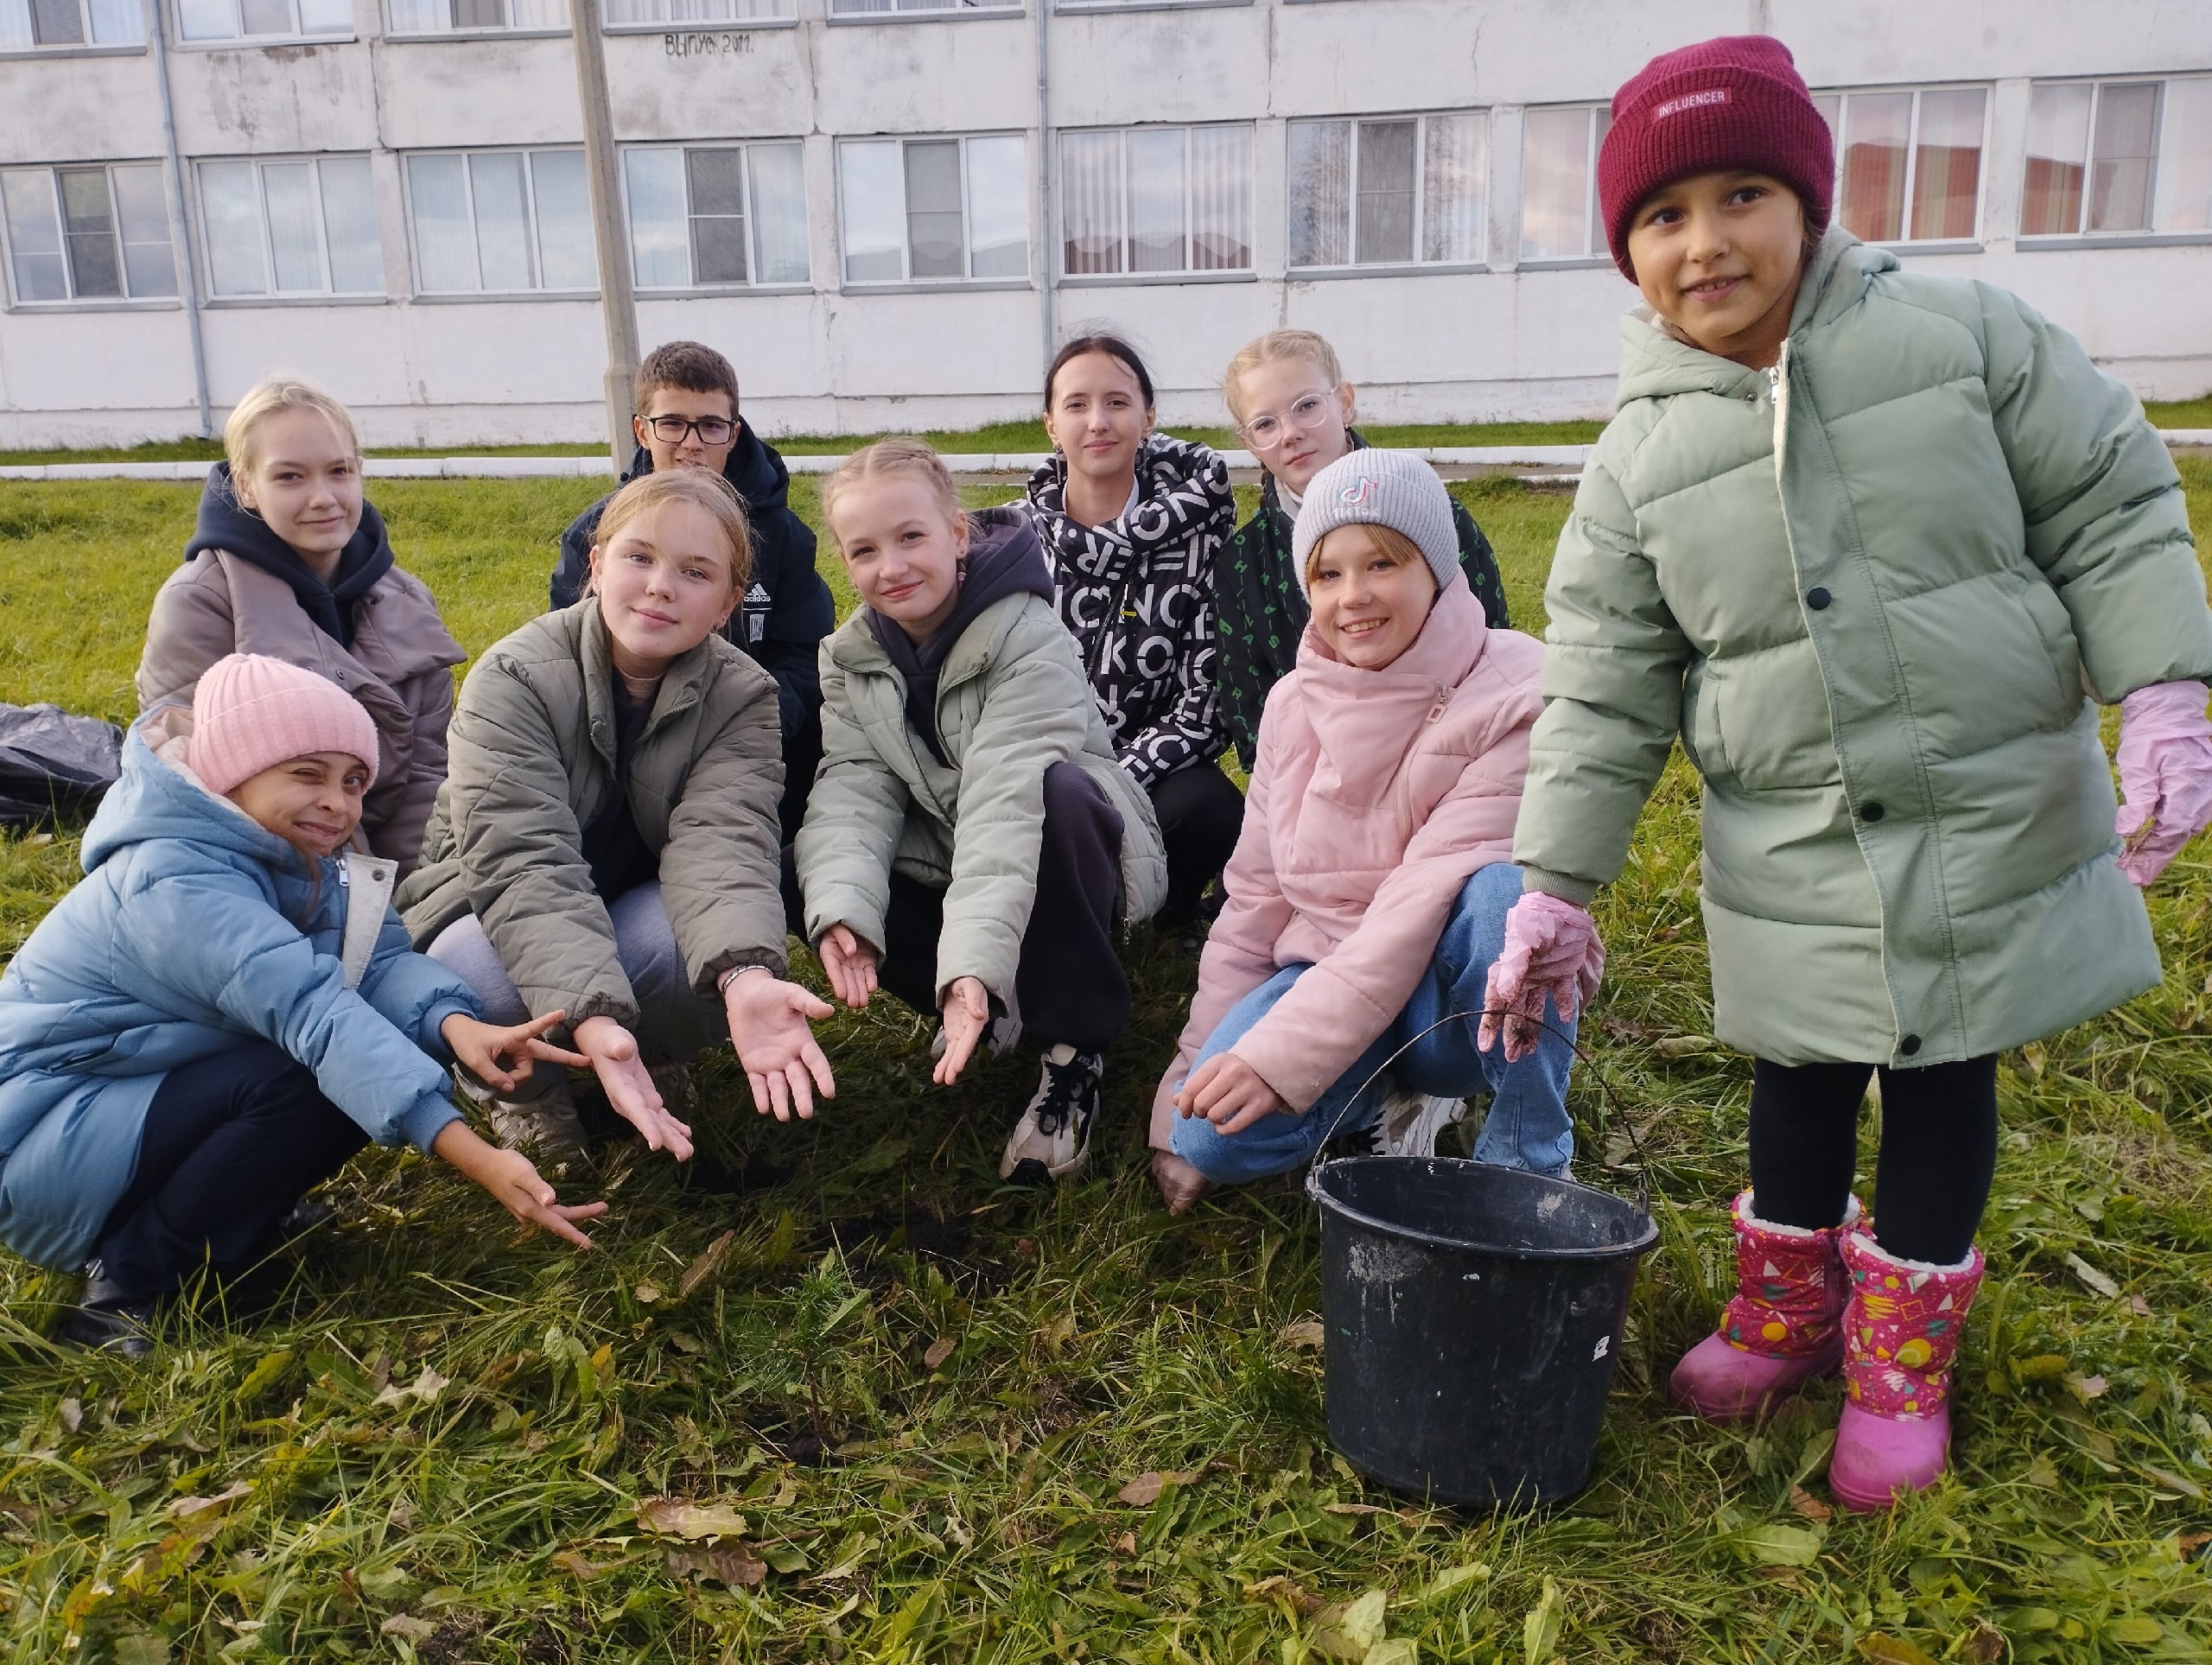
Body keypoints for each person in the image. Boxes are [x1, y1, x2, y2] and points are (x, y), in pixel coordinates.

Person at [1486, 35, 2212, 1512]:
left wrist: (2164, 684)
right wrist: (1554, 880)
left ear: (1812, 198)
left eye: (1743, 192)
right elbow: (1603, 685)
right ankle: (1790, 1303)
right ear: (1627, 251)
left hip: (1979, 807)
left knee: (1944, 1072)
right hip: (1790, 837)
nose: (1708, 241)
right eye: (1664, 216)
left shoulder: (1962, 338)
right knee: (1800, 1073)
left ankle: (1901, 1359)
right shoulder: (1636, 458)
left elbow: (2113, 503)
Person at [0, 654, 605, 1357]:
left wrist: (459, 1026)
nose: (339, 803)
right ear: (232, 769)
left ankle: (234, 1219)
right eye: (307, 774)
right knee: (317, 1072)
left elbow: (376, 965)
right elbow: (317, 1017)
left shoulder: (306, 856)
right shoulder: (173, 876)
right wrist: (479, 1156)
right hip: (39, 1139)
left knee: (347, 1063)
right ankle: (126, 1290)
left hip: (125, 1100)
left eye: (353, 781)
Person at [1147, 452, 1574, 1214]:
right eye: (1327, 574)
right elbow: (1252, 903)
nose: (1354, 598)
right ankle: (1374, 1092)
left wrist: (1283, 1057)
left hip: (1446, 996)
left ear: (1437, 569)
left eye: (1382, 562)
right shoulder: (1291, 704)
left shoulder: (1516, 687)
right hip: (1327, 967)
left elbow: (1418, 904)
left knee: (1511, 903)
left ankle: (1526, 1158)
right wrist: (1178, 1096)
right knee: (1208, 1135)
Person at [398, 469, 834, 1164]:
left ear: (726, 605)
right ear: (596, 566)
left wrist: (746, 976)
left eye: (696, 572)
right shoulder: (512, 678)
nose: (662, 585)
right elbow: (524, 866)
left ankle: (654, 1051)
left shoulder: (744, 695)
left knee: (711, 952)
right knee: (472, 977)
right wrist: (595, 1013)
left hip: (630, 897)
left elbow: (724, 846)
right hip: (485, 904)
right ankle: (530, 1088)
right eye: (640, 557)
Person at [797, 440, 1168, 1185]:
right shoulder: (848, 657)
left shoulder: (1026, 629)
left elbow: (1006, 800)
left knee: (1054, 795)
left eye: (911, 537)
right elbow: (852, 788)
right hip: (957, 843)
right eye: (865, 550)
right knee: (813, 858)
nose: (892, 566)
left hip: (1070, 841)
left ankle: (1072, 1047)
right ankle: (985, 1008)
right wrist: (841, 908)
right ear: (844, 561)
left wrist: (972, 958)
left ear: (957, 534)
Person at [137, 377, 465, 872]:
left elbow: (425, 776)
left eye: (338, 471)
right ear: (246, 486)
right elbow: (191, 786)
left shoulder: (408, 597)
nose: (323, 498)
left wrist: (415, 900)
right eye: (290, 477)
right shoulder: (200, 603)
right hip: (256, 875)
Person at [548, 340, 834, 845]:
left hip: (748, 748)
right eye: (672, 423)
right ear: (642, 429)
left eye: (710, 425)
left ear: (733, 433)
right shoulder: (592, 533)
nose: (692, 443)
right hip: (628, 756)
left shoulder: (784, 537)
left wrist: (736, 722)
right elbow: (569, 660)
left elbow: (807, 658)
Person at [1022, 334, 1242, 936]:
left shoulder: (1198, 537)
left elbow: (1206, 701)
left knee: (1212, 805)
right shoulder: (1014, 541)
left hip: (1152, 773)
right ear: (1051, 425)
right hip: (1040, 767)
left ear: (1148, 418)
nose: (1098, 422)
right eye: (1076, 404)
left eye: (1117, 403)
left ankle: (1159, 918)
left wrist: (1114, 778)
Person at [1215, 328, 1511, 770]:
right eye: (1265, 424)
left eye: (1307, 406)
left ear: (1345, 402)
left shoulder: (1428, 509)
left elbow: (1488, 637)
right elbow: (1252, 713)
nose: (1291, 433)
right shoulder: (1242, 562)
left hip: (1449, 759)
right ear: (1248, 442)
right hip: (1317, 782)